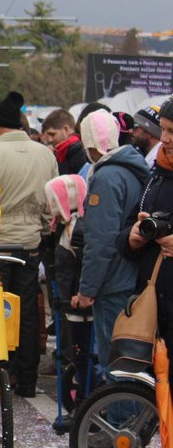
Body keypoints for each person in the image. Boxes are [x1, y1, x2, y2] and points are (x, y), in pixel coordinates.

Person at [119, 97, 173, 448]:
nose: (167, 139)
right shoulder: (157, 171)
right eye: (167, 131)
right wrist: (134, 236)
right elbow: (127, 230)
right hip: (163, 307)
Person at [0, 91, 59, 398]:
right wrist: (40, 231)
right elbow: (51, 204)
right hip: (30, 244)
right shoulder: (45, 154)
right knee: (28, 312)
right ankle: (27, 379)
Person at [74, 110, 147, 380]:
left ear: (89, 141)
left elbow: (100, 239)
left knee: (114, 361)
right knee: (128, 358)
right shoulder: (131, 168)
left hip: (112, 281)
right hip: (130, 275)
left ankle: (119, 419)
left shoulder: (106, 177)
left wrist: (87, 288)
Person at [45, 174, 93, 408]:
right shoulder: (67, 226)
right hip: (68, 299)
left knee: (81, 356)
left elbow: (85, 263)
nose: (47, 205)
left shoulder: (78, 230)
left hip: (77, 303)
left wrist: (82, 291)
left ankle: (86, 403)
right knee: (77, 354)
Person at [41, 108, 88, 176]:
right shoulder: (62, 152)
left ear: (66, 129)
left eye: (52, 134)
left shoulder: (79, 153)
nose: (50, 140)